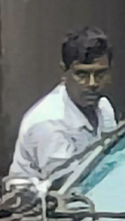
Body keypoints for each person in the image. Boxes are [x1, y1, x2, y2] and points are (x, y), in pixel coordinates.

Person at [8, 27, 117, 185]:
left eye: (100, 74)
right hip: (41, 205)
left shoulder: (104, 107)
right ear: (64, 73)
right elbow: (70, 184)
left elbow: (114, 159)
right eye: (82, 75)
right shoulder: (48, 122)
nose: (92, 84)